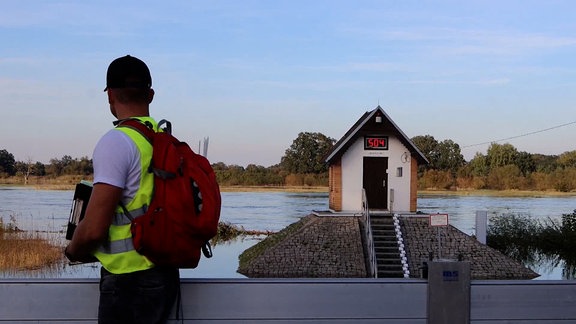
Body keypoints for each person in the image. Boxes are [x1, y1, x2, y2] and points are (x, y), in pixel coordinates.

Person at [64, 55, 180, 324]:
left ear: (110, 96)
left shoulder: (116, 142)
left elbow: (93, 229)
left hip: (128, 281)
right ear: (150, 94)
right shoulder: (163, 142)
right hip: (163, 275)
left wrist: (72, 251)